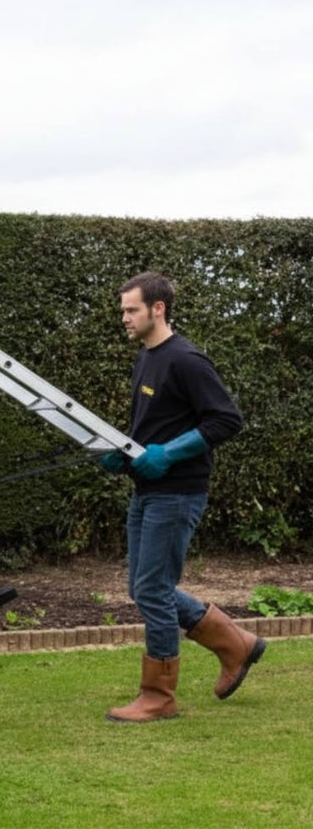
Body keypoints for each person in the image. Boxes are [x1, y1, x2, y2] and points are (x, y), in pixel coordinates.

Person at [100, 271, 262, 723]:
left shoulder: (186, 359)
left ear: (158, 308)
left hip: (178, 492)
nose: (125, 319)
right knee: (144, 587)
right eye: (123, 311)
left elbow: (226, 420)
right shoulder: (146, 359)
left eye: (132, 310)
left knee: (152, 588)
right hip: (147, 488)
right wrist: (124, 453)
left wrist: (170, 454)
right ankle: (237, 644)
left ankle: (159, 695)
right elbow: (152, 426)